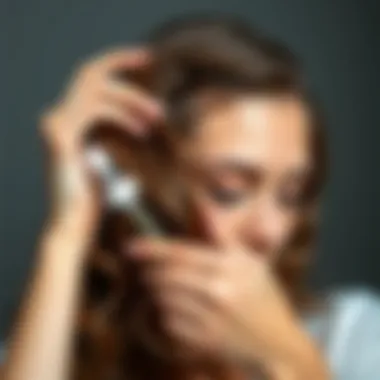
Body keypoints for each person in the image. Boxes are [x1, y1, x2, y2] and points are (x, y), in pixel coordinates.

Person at [1, 13, 380, 380]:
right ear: (149, 193)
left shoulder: (354, 338)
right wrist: (65, 236)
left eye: (290, 195)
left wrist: (287, 359)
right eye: (228, 192)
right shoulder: (39, 351)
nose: (271, 231)